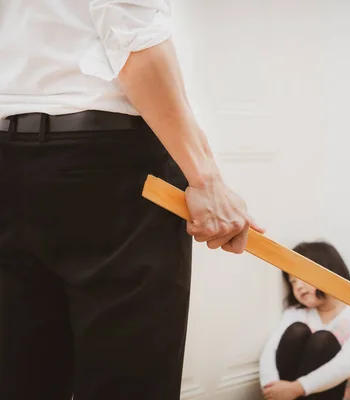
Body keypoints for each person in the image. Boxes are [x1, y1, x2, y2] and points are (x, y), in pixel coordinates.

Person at [0, 1, 263, 399]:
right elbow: (134, 38)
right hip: (111, 168)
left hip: (11, 165)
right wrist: (206, 179)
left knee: (23, 376)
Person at [259, 241, 350, 400]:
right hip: (290, 392)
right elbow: (271, 349)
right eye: (292, 281)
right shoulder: (297, 313)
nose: (298, 286)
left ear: (329, 273)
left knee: (323, 339)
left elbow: (347, 363)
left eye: (302, 277)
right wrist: (271, 386)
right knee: (296, 330)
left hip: (342, 390)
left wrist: (298, 387)